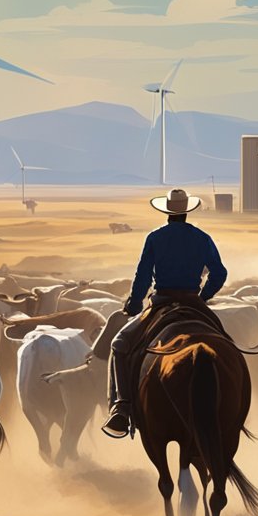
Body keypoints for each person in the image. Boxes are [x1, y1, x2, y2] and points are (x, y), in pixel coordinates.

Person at [102, 187, 228, 439]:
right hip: (193, 301)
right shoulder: (202, 238)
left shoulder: (155, 238)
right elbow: (220, 273)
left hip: (162, 301)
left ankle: (122, 408)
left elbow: (143, 276)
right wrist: (202, 298)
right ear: (186, 211)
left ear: (168, 211)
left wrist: (134, 303)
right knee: (226, 343)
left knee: (119, 344)